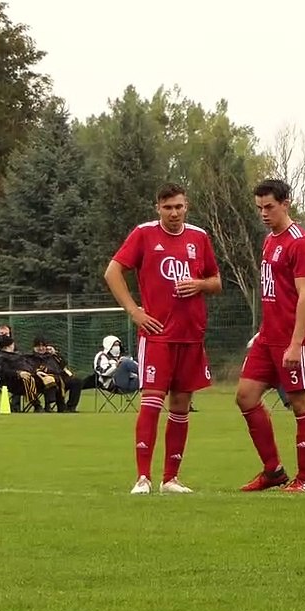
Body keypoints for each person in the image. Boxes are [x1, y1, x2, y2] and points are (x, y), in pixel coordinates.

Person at [105, 183, 221, 494]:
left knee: (181, 405)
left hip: (191, 335)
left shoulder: (199, 237)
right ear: (158, 207)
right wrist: (134, 311)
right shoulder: (143, 234)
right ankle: (143, 477)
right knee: (153, 401)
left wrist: (198, 284)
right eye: (167, 207)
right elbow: (112, 272)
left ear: (187, 206)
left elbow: (216, 281)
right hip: (157, 335)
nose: (173, 213)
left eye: (178, 207)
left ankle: (170, 479)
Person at [236, 179, 305, 492]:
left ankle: (304, 479)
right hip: (267, 338)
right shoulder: (270, 240)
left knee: (300, 405)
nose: (263, 213)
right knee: (245, 396)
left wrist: (296, 344)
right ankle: (273, 471)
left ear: (286, 203)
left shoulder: (300, 243)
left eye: (269, 207)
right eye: (259, 208)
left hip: (292, 340)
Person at [31, 336, 83, 412]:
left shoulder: (52, 356)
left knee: (77, 381)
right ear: (34, 347)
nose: (41, 348)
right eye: (38, 346)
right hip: (43, 381)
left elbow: (63, 364)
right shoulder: (32, 358)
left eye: (43, 346)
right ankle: (52, 406)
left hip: (60, 377)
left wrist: (55, 353)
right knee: (54, 381)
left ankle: (71, 407)